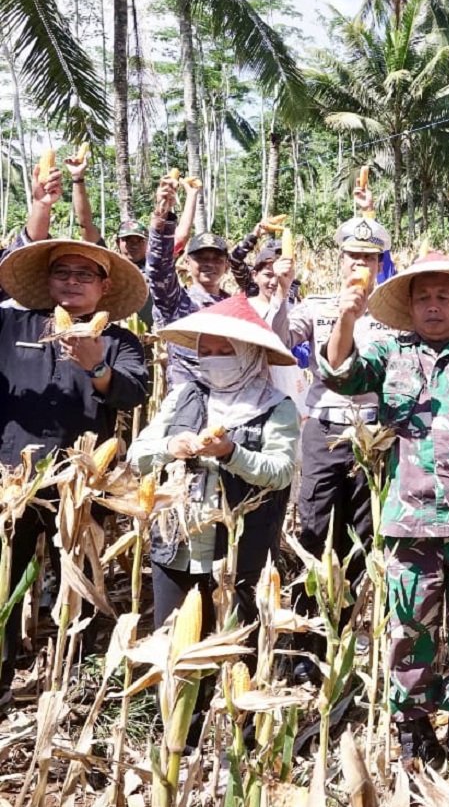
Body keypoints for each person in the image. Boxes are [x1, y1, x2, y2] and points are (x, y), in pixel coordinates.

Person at [318, 252, 449, 787]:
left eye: (444, 297)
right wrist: (346, 319)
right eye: (423, 297)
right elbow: (339, 375)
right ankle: (413, 727)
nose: (434, 306)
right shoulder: (391, 353)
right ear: (409, 307)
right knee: (409, 629)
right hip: (410, 519)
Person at [129, 296, 300, 735]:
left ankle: (237, 735)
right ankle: (178, 734)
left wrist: (231, 453)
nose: (214, 358)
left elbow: (281, 472)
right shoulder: (185, 396)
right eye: (206, 349)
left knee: (235, 643)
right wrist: (170, 447)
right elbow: (137, 455)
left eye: (226, 350)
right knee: (176, 639)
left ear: (250, 354)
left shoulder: (276, 406)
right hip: (177, 542)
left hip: (239, 549)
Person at [0, 237, 149, 698]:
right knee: (3, 578)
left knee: (80, 576)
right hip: (13, 478)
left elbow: (132, 392)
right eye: (62, 272)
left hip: (84, 483)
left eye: (85, 275)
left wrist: (96, 366)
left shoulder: (118, 340)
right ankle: (3, 670)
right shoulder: (11, 325)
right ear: (47, 280)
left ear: (105, 287)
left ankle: (77, 676)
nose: (72, 282)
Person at [275, 208, 394, 682]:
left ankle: (349, 635)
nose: (359, 265)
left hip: (375, 434)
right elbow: (278, 343)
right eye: (352, 256)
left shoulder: (392, 313)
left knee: (364, 537)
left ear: (381, 263)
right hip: (325, 430)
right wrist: (280, 293)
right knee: (317, 533)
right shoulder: (317, 307)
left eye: (369, 257)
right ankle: (307, 643)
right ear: (339, 259)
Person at [147, 174, 231, 387]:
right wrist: (162, 217)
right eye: (201, 259)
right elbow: (158, 268)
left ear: (227, 266)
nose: (209, 264)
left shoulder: (234, 307)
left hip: (230, 397)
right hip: (188, 397)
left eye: (217, 259)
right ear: (187, 263)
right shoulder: (176, 301)